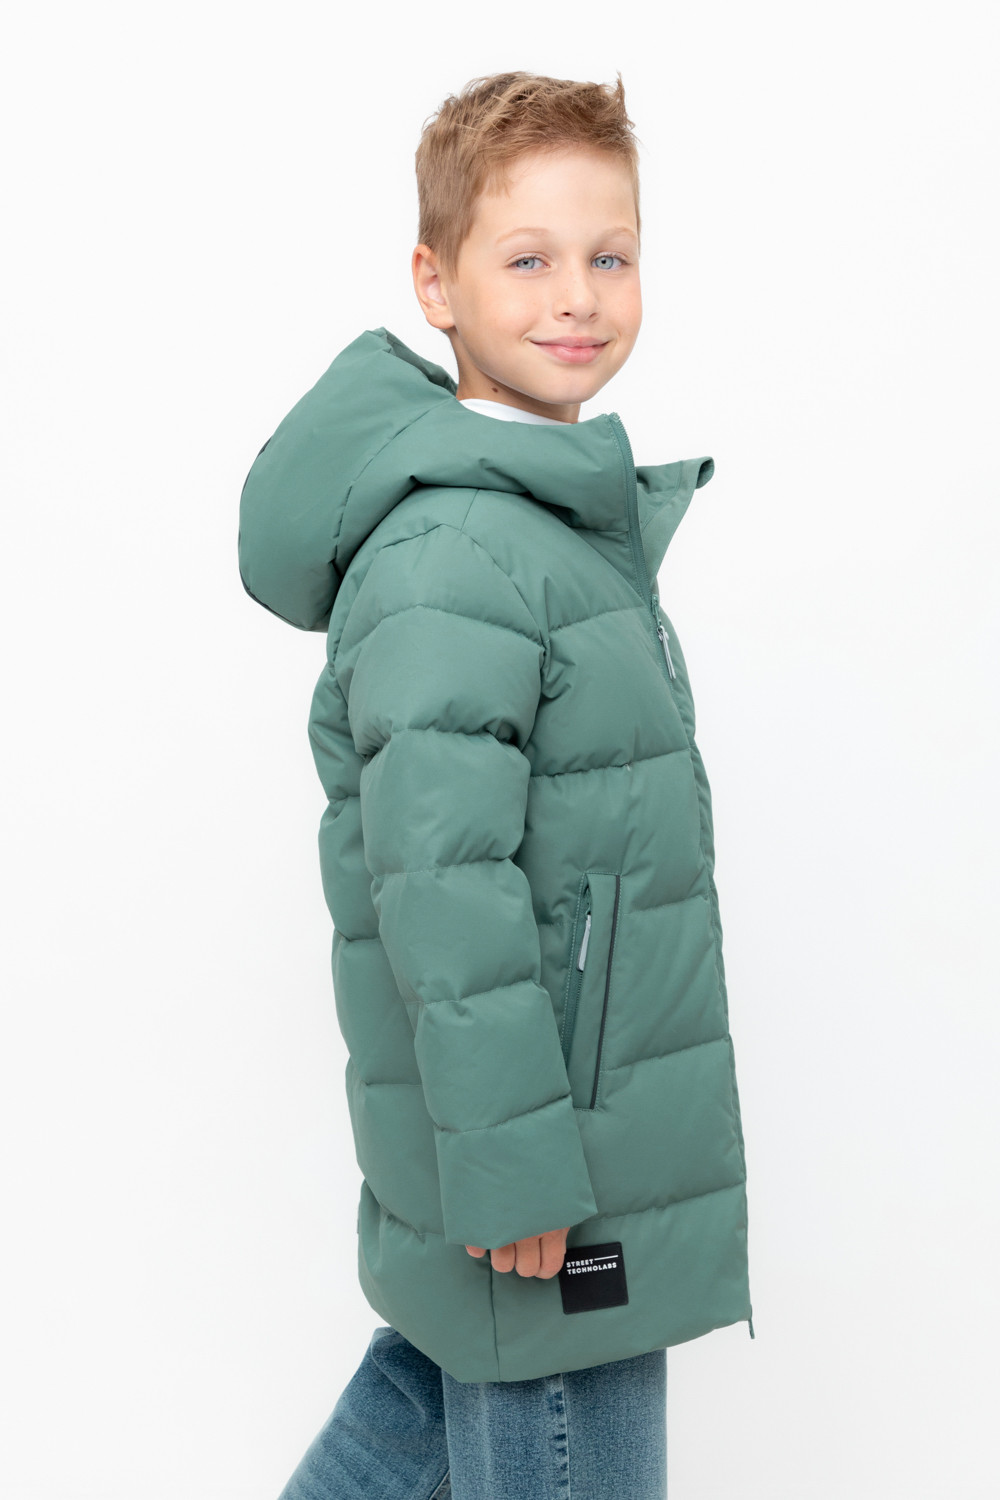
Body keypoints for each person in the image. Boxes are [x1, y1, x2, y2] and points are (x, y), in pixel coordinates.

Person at [238, 69, 754, 1500]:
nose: (576, 297)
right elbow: (442, 887)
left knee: (423, 1405)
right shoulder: (456, 551)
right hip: (551, 1165)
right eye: (527, 260)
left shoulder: (542, 516)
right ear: (437, 283)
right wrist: (519, 1171)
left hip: (564, 1133)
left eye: (610, 256)